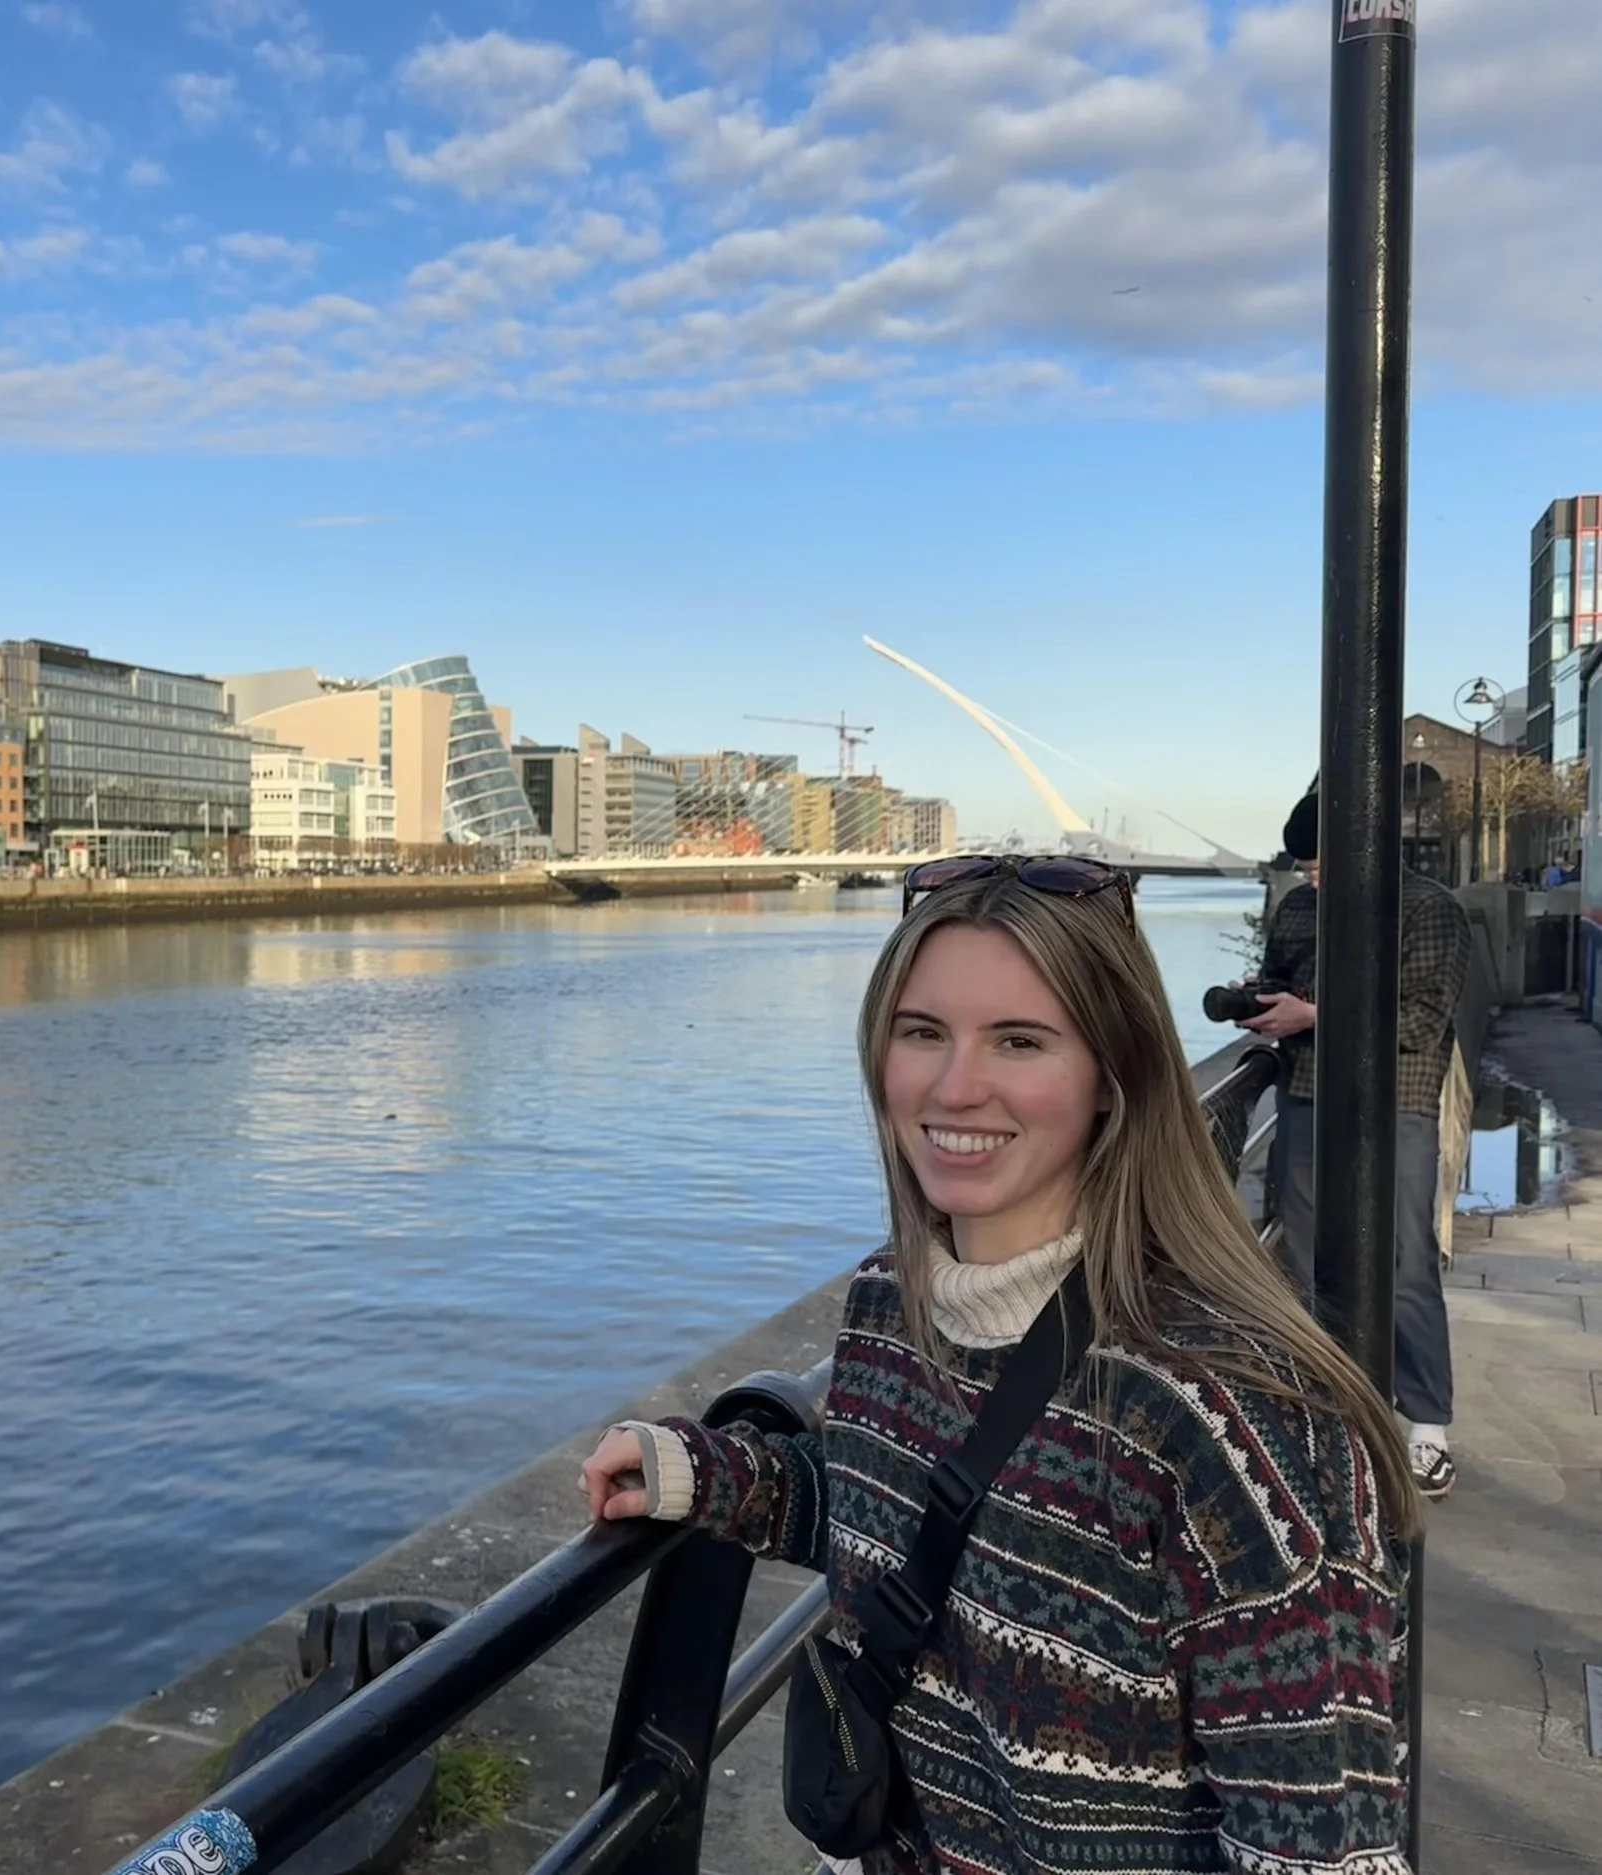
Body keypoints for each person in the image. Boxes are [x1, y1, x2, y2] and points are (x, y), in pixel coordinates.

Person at [580, 856, 1416, 1874]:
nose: (952, 1085)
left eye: (1017, 1041)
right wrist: (710, 1475)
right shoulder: (893, 1298)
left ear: (1115, 1077)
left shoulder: (1228, 1420)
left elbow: (1320, 1850)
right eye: (921, 1032)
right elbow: (906, 1516)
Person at [1240, 791, 1469, 1498]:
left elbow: (1421, 1021)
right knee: (1305, 1259)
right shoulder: (1300, 909)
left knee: (1404, 1260)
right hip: (1306, 1094)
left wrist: (1314, 1012)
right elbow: (1279, 979)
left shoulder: (1429, 908)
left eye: (1317, 866)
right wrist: (1261, 1002)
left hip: (1396, 1103)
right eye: (1302, 868)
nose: (1309, 880)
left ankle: (1426, 1425)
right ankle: (1331, 1407)